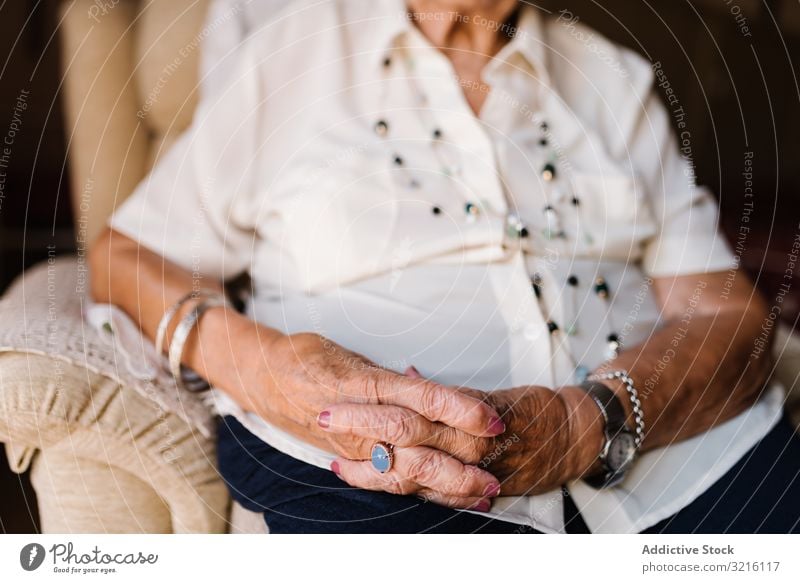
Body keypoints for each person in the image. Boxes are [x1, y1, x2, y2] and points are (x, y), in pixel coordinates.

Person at [89, 0, 799, 533]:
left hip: (691, 470)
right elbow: (126, 255)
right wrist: (269, 372)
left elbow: (730, 316)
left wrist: (591, 420)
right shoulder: (290, 58)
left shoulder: (613, 83)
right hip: (368, 482)